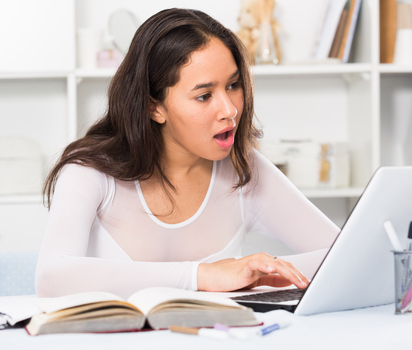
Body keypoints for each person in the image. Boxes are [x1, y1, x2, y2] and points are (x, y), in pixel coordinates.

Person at [35, 8, 339, 298]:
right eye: (204, 96)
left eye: (233, 85)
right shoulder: (89, 172)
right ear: (154, 106)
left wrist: (263, 272)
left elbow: (348, 254)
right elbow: (52, 277)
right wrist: (203, 276)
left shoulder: (244, 169)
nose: (230, 109)